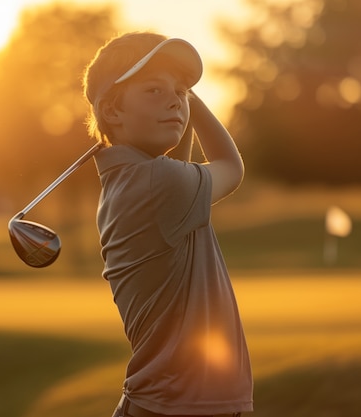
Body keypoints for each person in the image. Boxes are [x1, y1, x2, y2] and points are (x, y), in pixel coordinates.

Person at [82, 32, 253, 417]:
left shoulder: (131, 182)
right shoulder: (159, 183)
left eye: (180, 91)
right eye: (154, 91)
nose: (176, 99)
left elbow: (178, 163)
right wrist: (193, 100)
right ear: (111, 110)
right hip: (179, 405)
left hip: (167, 402)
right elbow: (232, 167)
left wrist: (177, 100)